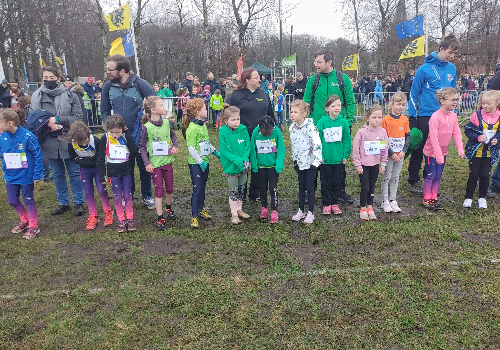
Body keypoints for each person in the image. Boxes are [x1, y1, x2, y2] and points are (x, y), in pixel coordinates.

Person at [100, 54, 157, 209]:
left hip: (140, 134)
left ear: (122, 71)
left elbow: (155, 103)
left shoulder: (140, 84)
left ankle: (147, 195)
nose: (108, 73)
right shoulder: (108, 86)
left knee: (145, 166)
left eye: (110, 70)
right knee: (126, 167)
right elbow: (104, 110)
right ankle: (128, 195)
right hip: (120, 136)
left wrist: (149, 118)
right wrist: (109, 128)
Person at [407, 34, 460, 195]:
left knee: (438, 148)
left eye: (454, 53)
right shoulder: (424, 69)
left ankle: (428, 177)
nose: (452, 56)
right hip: (425, 115)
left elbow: (454, 93)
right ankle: (413, 179)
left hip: (444, 116)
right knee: (420, 148)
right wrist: (412, 117)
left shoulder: (452, 68)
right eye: (450, 52)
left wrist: (454, 114)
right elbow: (413, 94)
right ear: (441, 49)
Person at [30, 66, 85, 216]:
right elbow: (33, 118)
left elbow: (79, 118)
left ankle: (79, 202)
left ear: (59, 78)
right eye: (45, 78)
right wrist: (46, 122)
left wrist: (60, 120)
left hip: (69, 139)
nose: (48, 81)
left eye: (51, 78)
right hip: (48, 141)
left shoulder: (71, 96)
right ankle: (63, 203)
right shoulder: (36, 96)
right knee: (57, 173)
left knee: (74, 172)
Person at [303, 49, 356, 205]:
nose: (316, 64)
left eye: (319, 62)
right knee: (314, 162)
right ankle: (310, 192)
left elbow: (350, 101)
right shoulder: (313, 80)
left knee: (338, 162)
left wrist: (349, 121)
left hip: (337, 129)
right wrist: (308, 123)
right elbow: (306, 102)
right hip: (316, 128)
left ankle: (340, 192)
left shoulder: (342, 79)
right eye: (315, 61)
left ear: (329, 62)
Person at [226, 68, 274, 201]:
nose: (260, 79)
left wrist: (274, 129)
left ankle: (255, 192)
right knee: (244, 162)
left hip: (261, 136)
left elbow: (270, 113)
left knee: (258, 163)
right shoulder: (235, 95)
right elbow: (226, 113)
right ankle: (240, 192)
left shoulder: (263, 93)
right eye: (256, 77)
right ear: (247, 80)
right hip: (242, 136)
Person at [0, 108, 44, 239]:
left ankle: (33, 226)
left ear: (10, 123)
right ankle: (25, 221)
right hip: (11, 176)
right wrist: (5, 173)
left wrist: (37, 175)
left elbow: (38, 155)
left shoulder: (27, 136)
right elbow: (3, 155)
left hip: (26, 175)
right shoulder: (2, 136)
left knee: (28, 199)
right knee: (12, 200)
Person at [421, 87, 465, 210]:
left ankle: (433, 198)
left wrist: (460, 149)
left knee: (438, 176)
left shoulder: (454, 116)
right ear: (442, 100)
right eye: (452, 99)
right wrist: (438, 155)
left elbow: (456, 133)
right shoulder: (435, 117)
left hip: (443, 152)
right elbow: (433, 137)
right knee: (431, 175)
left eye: (457, 99)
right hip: (431, 152)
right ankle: (426, 199)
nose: (455, 102)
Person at [140, 96, 179, 230]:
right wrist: (147, 163)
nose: (164, 108)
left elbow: (173, 136)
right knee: (159, 191)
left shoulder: (167, 123)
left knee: (169, 188)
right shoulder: (147, 127)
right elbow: (142, 147)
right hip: (155, 165)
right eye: (161, 105)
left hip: (167, 162)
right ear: (153, 110)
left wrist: (175, 146)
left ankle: (168, 207)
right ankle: (160, 217)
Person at [67, 121, 113, 230]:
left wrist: (84, 160)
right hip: (84, 170)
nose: (86, 142)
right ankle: (93, 215)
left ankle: (108, 212)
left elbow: (99, 158)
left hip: (97, 169)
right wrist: (85, 160)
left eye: (87, 139)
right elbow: (73, 158)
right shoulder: (71, 144)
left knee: (101, 190)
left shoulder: (95, 141)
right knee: (88, 192)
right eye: (82, 142)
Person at [182, 98, 220, 229]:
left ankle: (201, 208)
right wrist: (200, 161)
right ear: (198, 112)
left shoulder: (203, 125)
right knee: (197, 189)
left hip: (206, 161)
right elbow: (191, 148)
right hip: (196, 164)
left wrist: (215, 151)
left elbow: (206, 142)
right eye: (204, 108)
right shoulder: (191, 128)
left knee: (203, 187)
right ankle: (194, 216)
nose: (207, 110)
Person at [97, 114, 138, 232]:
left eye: (118, 132)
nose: (115, 135)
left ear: (122, 129)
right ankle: (121, 220)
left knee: (128, 196)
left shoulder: (125, 136)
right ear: (108, 130)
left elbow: (134, 151)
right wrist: (101, 173)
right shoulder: (105, 138)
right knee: (117, 197)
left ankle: (130, 219)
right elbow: (100, 157)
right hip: (113, 172)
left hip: (126, 171)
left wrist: (127, 135)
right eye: (112, 132)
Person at [463, 91, 500, 208]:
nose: (485, 106)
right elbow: (468, 130)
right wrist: (478, 137)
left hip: (489, 153)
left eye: (489, 103)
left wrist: (497, 140)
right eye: (483, 103)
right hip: (476, 152)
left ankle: (482, 198)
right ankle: (468, 197)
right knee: (473, 174)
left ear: (497, 103)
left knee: (485, 175)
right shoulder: (476, 115)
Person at [352, 105, 388, 221]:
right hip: (363, 166)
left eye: (379, 117)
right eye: (374, 117)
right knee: (365, 187)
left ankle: (370, 207)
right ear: (368, 118)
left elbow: (384, 148)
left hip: (375, 165)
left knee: (372, 187)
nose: (377, 120)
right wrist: (357, 165)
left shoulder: (382, 132)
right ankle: (362, 208)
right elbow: (356, 150)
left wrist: (383, 163)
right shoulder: (362, 132)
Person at [317, 95, 351, 215]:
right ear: (327, 108)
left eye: (339, 105)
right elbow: (317, 140)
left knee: (337, 182)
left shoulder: (343, 122)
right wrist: (319, 155)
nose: (337, 108)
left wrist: (345, 155)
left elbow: (347, 140)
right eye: (333, 106)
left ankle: (335, 202)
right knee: (325, 182)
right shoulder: (322, 122)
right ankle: (326, 203)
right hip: (325, 160)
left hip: (339, 160)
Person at [289, 100, 322, 224]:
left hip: (311, 164)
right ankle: (301, 210)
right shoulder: (292, 128)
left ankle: (311, 212)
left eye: (295, 112)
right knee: (301, 187)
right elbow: (294, 146)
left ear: (304, 114)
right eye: (291, 112)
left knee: (310, 188)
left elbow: (317, 144)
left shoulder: (310, 128)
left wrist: (315, 163)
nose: (292, 114)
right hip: (300, 163)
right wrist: (295, 161)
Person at [218, 105, 251, 224]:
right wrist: (237, 160)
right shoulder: (223, 132)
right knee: (234, 190)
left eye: (238, 119)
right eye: (233, 120)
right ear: (226, 120)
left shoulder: (243, 129)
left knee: (242, 189)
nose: (236, 122)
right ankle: (233, 214)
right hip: (231, 166)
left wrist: (244, 158)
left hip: (243, 165)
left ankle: (239, 210)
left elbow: (248, 145)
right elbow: (225, 150)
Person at [250, 115, 285, 224]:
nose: (266, 134)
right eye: (264, 132)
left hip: (273, 167)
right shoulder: (256, 133)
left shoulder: (277, 132)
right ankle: (264, 208)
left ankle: (274, 211)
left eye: (268, 132)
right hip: (261, 167)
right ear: (260, 128)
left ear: (272, 128)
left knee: (272, 188)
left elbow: (281, 149)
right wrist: (254, 165)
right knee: (262, 188)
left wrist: (279, 165)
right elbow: (253, 150)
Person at [380, 92, 411, 213]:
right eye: (398, 104)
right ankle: (385, 200)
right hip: (389, 155)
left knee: (395, 177)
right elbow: (382, 139)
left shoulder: (404, 119)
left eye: (403, 105)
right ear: (392, 104)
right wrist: (390, 153)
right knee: (387, 176)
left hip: (400, 155)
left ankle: (393, 199)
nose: (400, 107)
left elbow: (407, 136)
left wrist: (403, 151)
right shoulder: (385, 120)